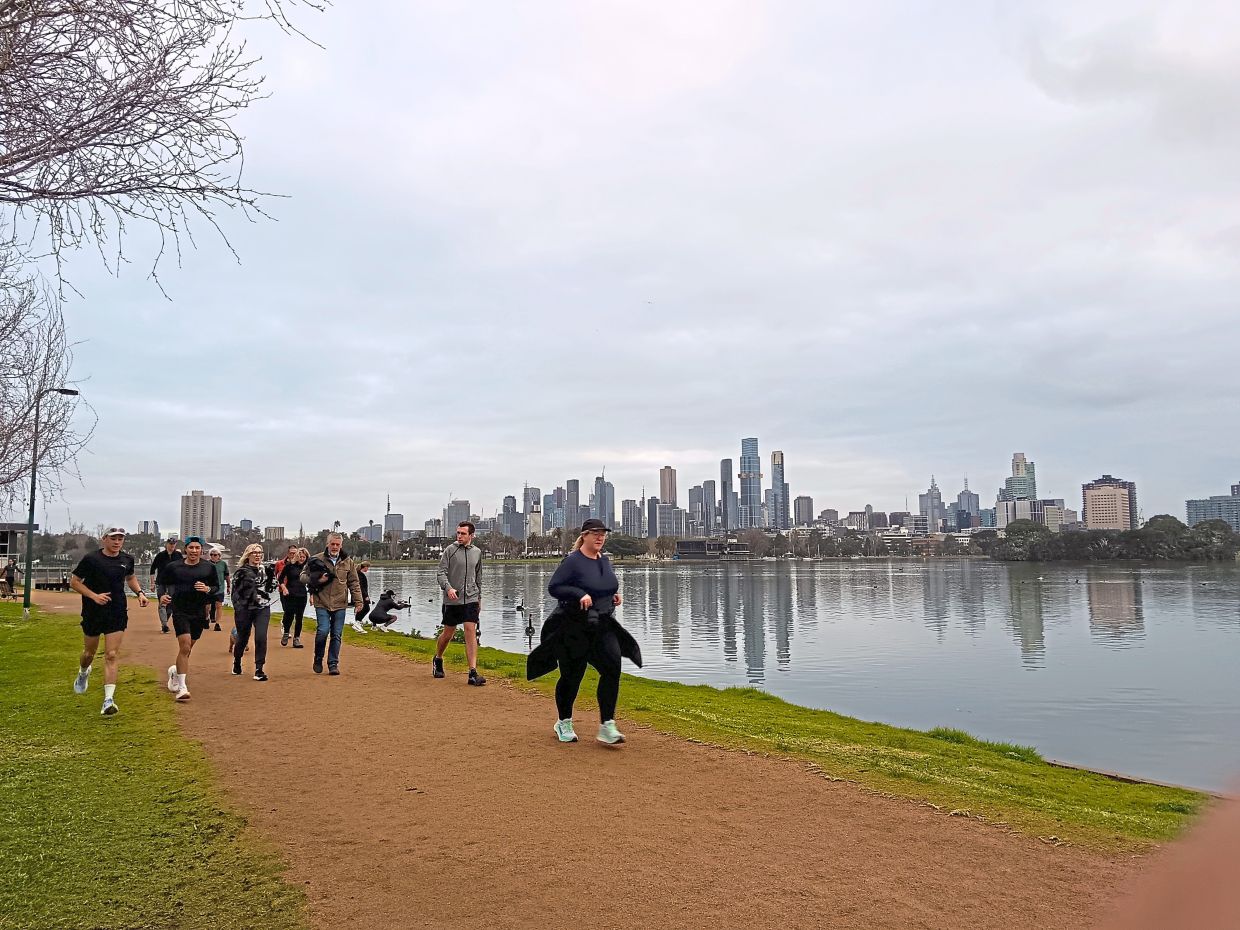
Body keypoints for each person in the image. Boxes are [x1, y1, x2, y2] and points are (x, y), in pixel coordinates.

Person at [527, 518, 642, 745]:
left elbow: (605, 584)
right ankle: (564, 721)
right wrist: (579, 594)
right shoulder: (573, 561)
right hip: (573, 626)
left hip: (602, 625)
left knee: (612, 669)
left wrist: (613, 597)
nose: (600, 537)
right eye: (595, 533)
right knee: (572, 676)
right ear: (585, 536)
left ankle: (607, 725)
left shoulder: (604, 561)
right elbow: (555, 587)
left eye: (603, 534)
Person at [69, 527, 149, 715]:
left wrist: (140, 593)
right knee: (89, 653)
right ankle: (83, 672)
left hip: (117, 610)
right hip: (93, 611)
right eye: (113, 538)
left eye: (120, 539)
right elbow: (74, 582)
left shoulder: (127, 559)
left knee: (111, 654)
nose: (117, 542)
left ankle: (108, 700)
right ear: (104, 539)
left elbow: (130, 577)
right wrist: (94, 596)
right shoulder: (91, 559)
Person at [159, 536, 218, 701]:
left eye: (197, 548)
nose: (194, 551)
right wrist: (163, 596)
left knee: (188, 648)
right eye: (191, 548)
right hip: (180, 610)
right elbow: (162, 583)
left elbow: (216, 588)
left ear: (201, 550)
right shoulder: (174, 567)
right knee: (184, 647)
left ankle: (174, 673)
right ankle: (182, 688)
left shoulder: (208, 568)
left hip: (199, 612)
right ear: (185, 549)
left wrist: (207, 589)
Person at [301, 533, 363, 676]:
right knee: (323, 631)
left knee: (336, 634)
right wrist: (316, 579)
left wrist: (358, 601)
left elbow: (354, 582)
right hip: (322, 601)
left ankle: (333, 663)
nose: (335, 547)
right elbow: (302, 576)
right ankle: (318, 657)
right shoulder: (316, 559)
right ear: (327, 544)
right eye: (332, 544)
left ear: (341, 545)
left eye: (338, 544)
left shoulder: (348, 561)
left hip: (340, 603)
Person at [433, 521, 486, 686]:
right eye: (458, 533)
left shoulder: (477, 552)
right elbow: (441, 573)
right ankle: (438, 658)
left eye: (463, 533)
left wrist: (479, 598)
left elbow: (479, 576)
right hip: (453, 599)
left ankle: (472, 672)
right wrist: (448, 588)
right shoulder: (450, 550)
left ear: (471, 535)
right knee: (449, 633)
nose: (459, 536)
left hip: (471, 598)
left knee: (470, 630)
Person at [231, 544, 273, 681]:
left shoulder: (266, 570)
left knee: (261, 636)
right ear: (248, 555)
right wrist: (238, 607)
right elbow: (235, 593)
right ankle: (237, 661)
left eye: (260, 553)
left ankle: (259, 669)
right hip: (244, 608)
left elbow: (271, 588)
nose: (257, 555)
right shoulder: (241, 572)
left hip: (262, 608)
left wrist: (275, 583)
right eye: (254, 553)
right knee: (243, 638)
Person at [149, 537, 182, 633]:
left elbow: (183, 568)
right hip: (161, 582)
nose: (172, 545)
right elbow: (152, 569)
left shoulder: (178, 555)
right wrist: (152, 583)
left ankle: (165, 621)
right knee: (162, 603)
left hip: (174, 583)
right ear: (166, 544)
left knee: (170, 604)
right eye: (170, 543)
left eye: (174, 544)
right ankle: (164, 625)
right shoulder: (160, 555)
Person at [278, 547, 309, 647]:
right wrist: (284, 588)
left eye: (304, 557)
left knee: (299, 617)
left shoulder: (307, 568)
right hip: (290, 593)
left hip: (302, 595)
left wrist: (312, 595)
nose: (302, 558)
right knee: (289, 615)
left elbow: (312, 582)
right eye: (300, 556)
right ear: (297, 556)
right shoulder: (290, 566)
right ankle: (286, 633)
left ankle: (297, 638)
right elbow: (281, 578)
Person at [207, 546, 230, 633]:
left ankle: (217, 623)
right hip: (208, 588)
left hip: (220, 588)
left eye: (215, 555)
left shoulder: (223, 564)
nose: (213, 556)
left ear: (219, 555)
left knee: (219, 605)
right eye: (211, 555)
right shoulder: (207, 564)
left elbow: (227, 575)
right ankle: (206, 618)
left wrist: (228, 586)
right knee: (207, 607)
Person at [350, 560, 371, 633]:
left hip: (360, 595)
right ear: (364, 567)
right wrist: (366, 596)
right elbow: (361, 587)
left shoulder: (358, 574)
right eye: (367, 567)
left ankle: (357, 623)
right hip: (361, 595)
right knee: (366, 608)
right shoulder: (360, 575)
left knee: (363, 608)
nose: (367, 569)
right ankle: (357, 623)